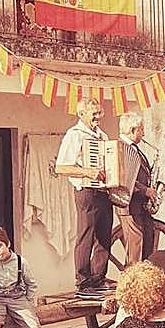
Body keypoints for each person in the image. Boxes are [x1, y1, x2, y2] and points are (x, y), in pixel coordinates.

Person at [54, 97, 113, 296]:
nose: (98, 117)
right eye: (94, 114)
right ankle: (83, 282)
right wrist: (88, 172)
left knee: (104, 236)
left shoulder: (103, 136)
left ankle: (98, 278)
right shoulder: (75, 135)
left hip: (103, 191)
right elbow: (61, 167)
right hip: (86, 191)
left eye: (99, 113)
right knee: (86, 235)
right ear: (81, 114)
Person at [116, 112, 160, 266]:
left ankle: (145, 278)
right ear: (132, 130)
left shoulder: (135, 148)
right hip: (129, 204)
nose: (143, 133)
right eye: (141, 129)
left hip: (141, 205)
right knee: (135, 248)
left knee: (147, 244)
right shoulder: (119, 148)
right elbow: (122, 178)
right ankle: (134, 279)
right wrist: (145, 190)